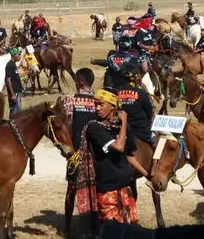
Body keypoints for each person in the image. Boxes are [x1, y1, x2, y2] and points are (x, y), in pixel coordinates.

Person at [75, 89, 138, 236]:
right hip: (107, 188)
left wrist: (148, 174)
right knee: (110, 231)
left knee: (129, 230)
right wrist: (124, 123)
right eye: (95, 104)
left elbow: (129, 155)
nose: (97, 108)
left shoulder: (121, 128)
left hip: (125, 186)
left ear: (113, 106)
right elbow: (119, 146)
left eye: (101, 104)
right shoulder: (94, 127)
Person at [63, 69, 97, 234]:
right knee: (96, 188)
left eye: (76, 80)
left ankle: (68, 226)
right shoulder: (99, 100)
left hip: (76, 152)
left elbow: (67, 125)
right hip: (96, 153)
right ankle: (95, 222)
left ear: (80, 83)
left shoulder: (70, 100)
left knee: (72, 188)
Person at [115, 74, 154, 146]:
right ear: (135, 80)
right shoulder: (141, 93)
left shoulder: (116, 93)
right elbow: (149, 112)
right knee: (156, 143)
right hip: (141, 131)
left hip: (120, 131)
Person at [5, 47, 24, 116]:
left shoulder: (14, 65)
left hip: (17, 92)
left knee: (17, 111)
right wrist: (12, 94)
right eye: (18, 54)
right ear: (14, 55)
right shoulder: (9, 65)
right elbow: (8, 79)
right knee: (15, 112)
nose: (20, 56)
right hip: (14, 93)